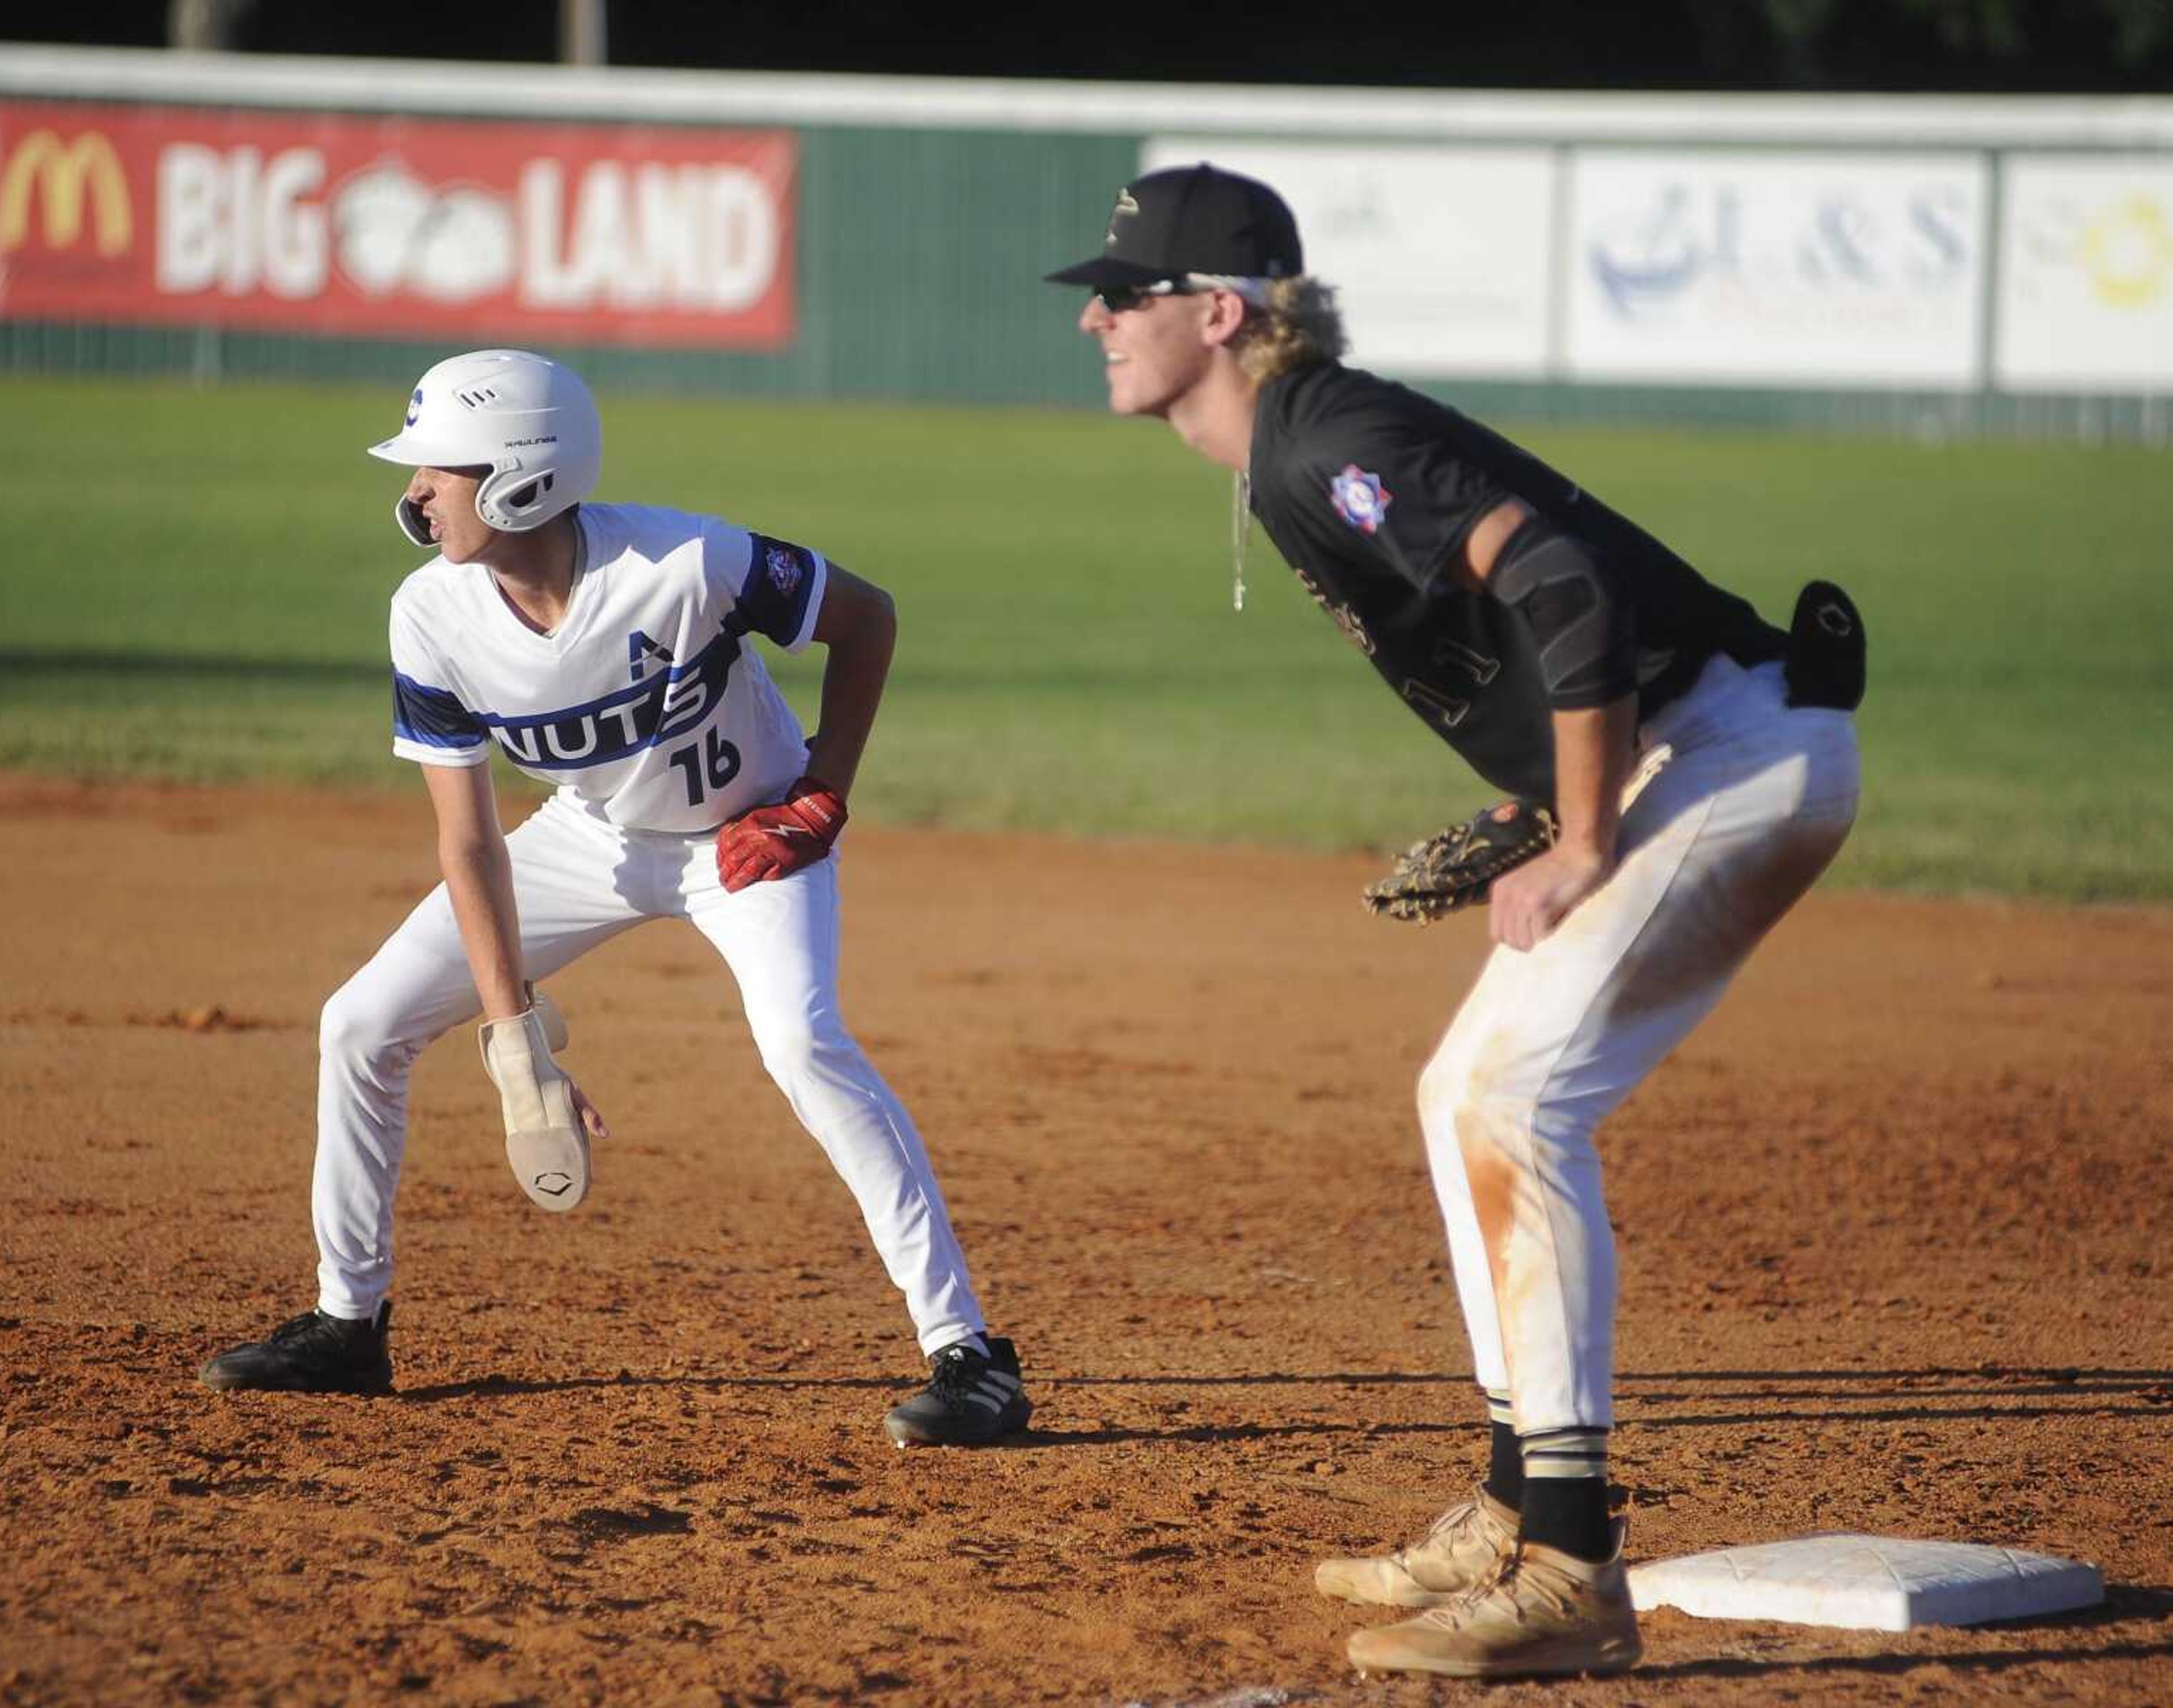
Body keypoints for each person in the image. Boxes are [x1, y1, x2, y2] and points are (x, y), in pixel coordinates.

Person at [1047, 166, 1862, 1678]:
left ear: (1216, 313)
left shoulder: (1323, 438)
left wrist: (1590, 833)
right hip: (1701, 740)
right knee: (1459, 1093)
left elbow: (1562, 589)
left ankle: (1572, 1561)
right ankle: (1512, 1505)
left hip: (1739, 755)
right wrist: (1559, 807)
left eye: (1126, 291)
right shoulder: (1296, 443)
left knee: (1514, 1096)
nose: (1096, 314)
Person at [197, 348, 1032, 1450]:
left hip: (748, 839)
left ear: (521, 478)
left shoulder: (688, 562)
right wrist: (513, 1040)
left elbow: (866, 617)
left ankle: (971, 1354)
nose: (412, 493)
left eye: (437, 470)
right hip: (587, 839)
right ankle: (349, 1324)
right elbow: (470, 837)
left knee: (803, 1042)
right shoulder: (431, 615)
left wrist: (824, 788)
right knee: (358, 1023)